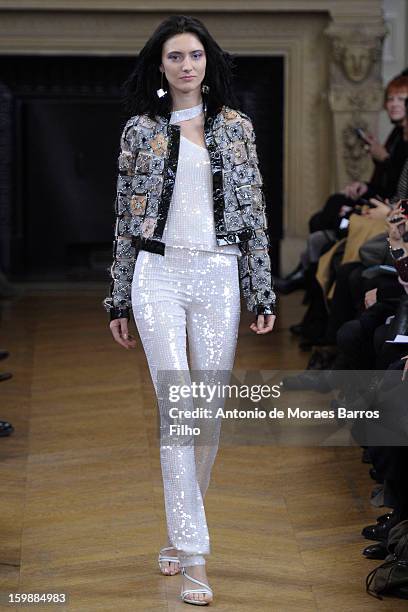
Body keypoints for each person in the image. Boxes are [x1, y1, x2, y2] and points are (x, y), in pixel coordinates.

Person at [103, 15, 276, 606]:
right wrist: (118, 295)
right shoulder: (139, 131)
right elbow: (126, 220)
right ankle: (195, 551)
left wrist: (262, 288)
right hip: (158, 273)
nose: (185, 65)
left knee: (207, 413)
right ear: (160, 65)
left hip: (219, 275)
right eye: (175, 56)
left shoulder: (236, 129)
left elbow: (253, 213)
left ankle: (181, 532)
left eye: (195, 55)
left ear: (208, 63)